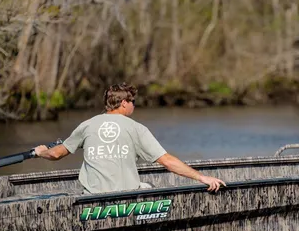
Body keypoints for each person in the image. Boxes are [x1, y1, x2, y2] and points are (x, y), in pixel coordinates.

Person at [34, 83, 226, 194]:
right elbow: (167, 161)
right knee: (150, 187)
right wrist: (202, 177)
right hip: (125, 197)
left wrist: (41, 152)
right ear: (124, 103)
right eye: (133, 102)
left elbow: (57, 154)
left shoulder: (87, 125)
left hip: (92, 197)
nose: (134, 105)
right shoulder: (136, 129)